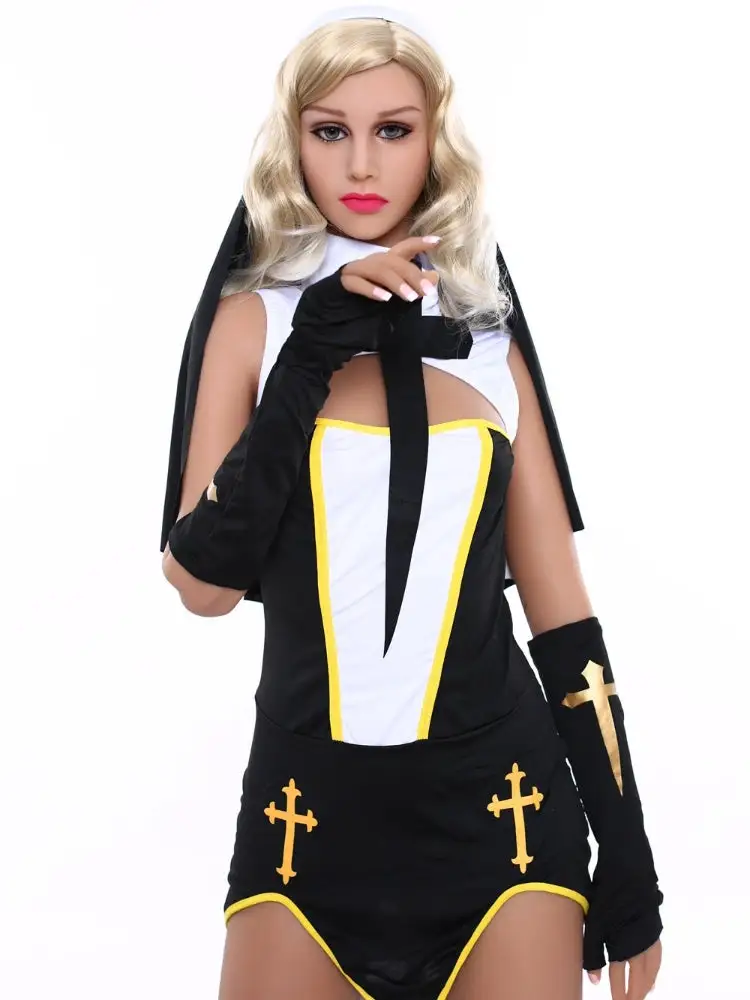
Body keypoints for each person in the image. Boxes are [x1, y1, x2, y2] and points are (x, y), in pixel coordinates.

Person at [159, 8, 663, 999]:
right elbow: (201, 583)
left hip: (505, 824)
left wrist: (629, 848)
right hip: (302, 827)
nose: (361, 162)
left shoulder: (488, 337)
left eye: (393, 129)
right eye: (329, 130)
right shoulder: (252, 324)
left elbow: (563, 619)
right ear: (292, 141)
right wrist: (308, 358)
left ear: (435, 142)